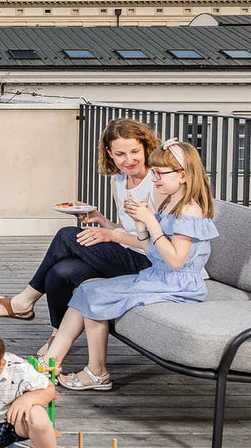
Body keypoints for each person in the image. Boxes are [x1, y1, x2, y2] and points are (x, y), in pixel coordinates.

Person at [42, 139, 218, 392]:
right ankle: (50, 363)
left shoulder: (190, 211)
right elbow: (152, 251)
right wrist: (140, 226)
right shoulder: (172, 204)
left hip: (179, 285)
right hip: (158, 275)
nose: (154, 177)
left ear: (183, 176)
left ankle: (97, 372)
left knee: (97, 294)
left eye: (160, 172)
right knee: (86, 290)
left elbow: (176, 260)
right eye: (154, 171)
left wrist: (151, 222)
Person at [0, 118, 162, 356]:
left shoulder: (157, 182)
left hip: (150, 262)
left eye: (135, 151)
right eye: (120, 154)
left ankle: (23, 302)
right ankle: (57, 334)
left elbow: (156, 243)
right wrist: (101, 221)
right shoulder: (118, 179)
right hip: (128, 252)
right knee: (61, 271)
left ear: (147, 146)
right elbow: (127, 228)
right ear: (109, 153)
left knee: (67, 235)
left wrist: (109, 236)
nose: (129, 160)